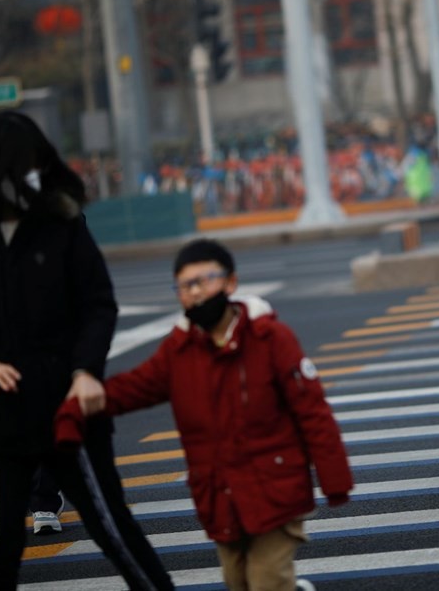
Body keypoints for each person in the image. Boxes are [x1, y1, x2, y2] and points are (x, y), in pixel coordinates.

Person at [0, 111, 173, 590]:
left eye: (34, 165)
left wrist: (87, 370)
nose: (28, 177)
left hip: (69, 405)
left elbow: (97, 304)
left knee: (116, 531)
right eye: (17, 167)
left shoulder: (61, 221)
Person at [55, 239, 354, 591]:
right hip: (220, 497)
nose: (196, 292)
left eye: (205, 280)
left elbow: (312, 411)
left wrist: (334, 479)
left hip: (276, 491)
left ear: (230, 283)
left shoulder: (270, 338)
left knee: (266, 581)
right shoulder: (179, 351)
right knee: (237, 581)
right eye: (185, 285)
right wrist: (73, 409)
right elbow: (134, 387)